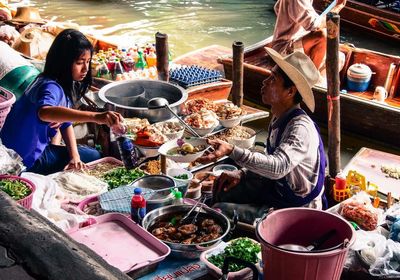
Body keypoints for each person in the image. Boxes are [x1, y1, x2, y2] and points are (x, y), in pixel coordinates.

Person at [198, 48, 328, 224]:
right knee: (220, 191)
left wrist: (231, 150)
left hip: (298, 210)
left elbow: (278, 167)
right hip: (278, 189)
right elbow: (269, 157)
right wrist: (243, 173)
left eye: (273, 79)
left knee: (219, 211)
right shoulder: (279, 116)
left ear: (290, 92)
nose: (264, 82)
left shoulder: (300, 128)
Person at [0, 29, 123, 175]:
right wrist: (96, 117)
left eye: (88, 62)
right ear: (63, 63)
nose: (86, 68)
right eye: (79, 63)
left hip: (10, 150)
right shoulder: (51, 87)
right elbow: (44, 112)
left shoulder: (45, 79)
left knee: (79, 154)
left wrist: (74, 157)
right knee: (94, 155)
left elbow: (66, 123)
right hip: (24, 161)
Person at [269, 0, 347, 70]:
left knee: (340, 57)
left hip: (291, 43)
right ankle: (311, 77)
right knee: (323, 35)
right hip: (282, 50)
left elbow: (277, 7)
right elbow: (315, 26)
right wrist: (337, 8)